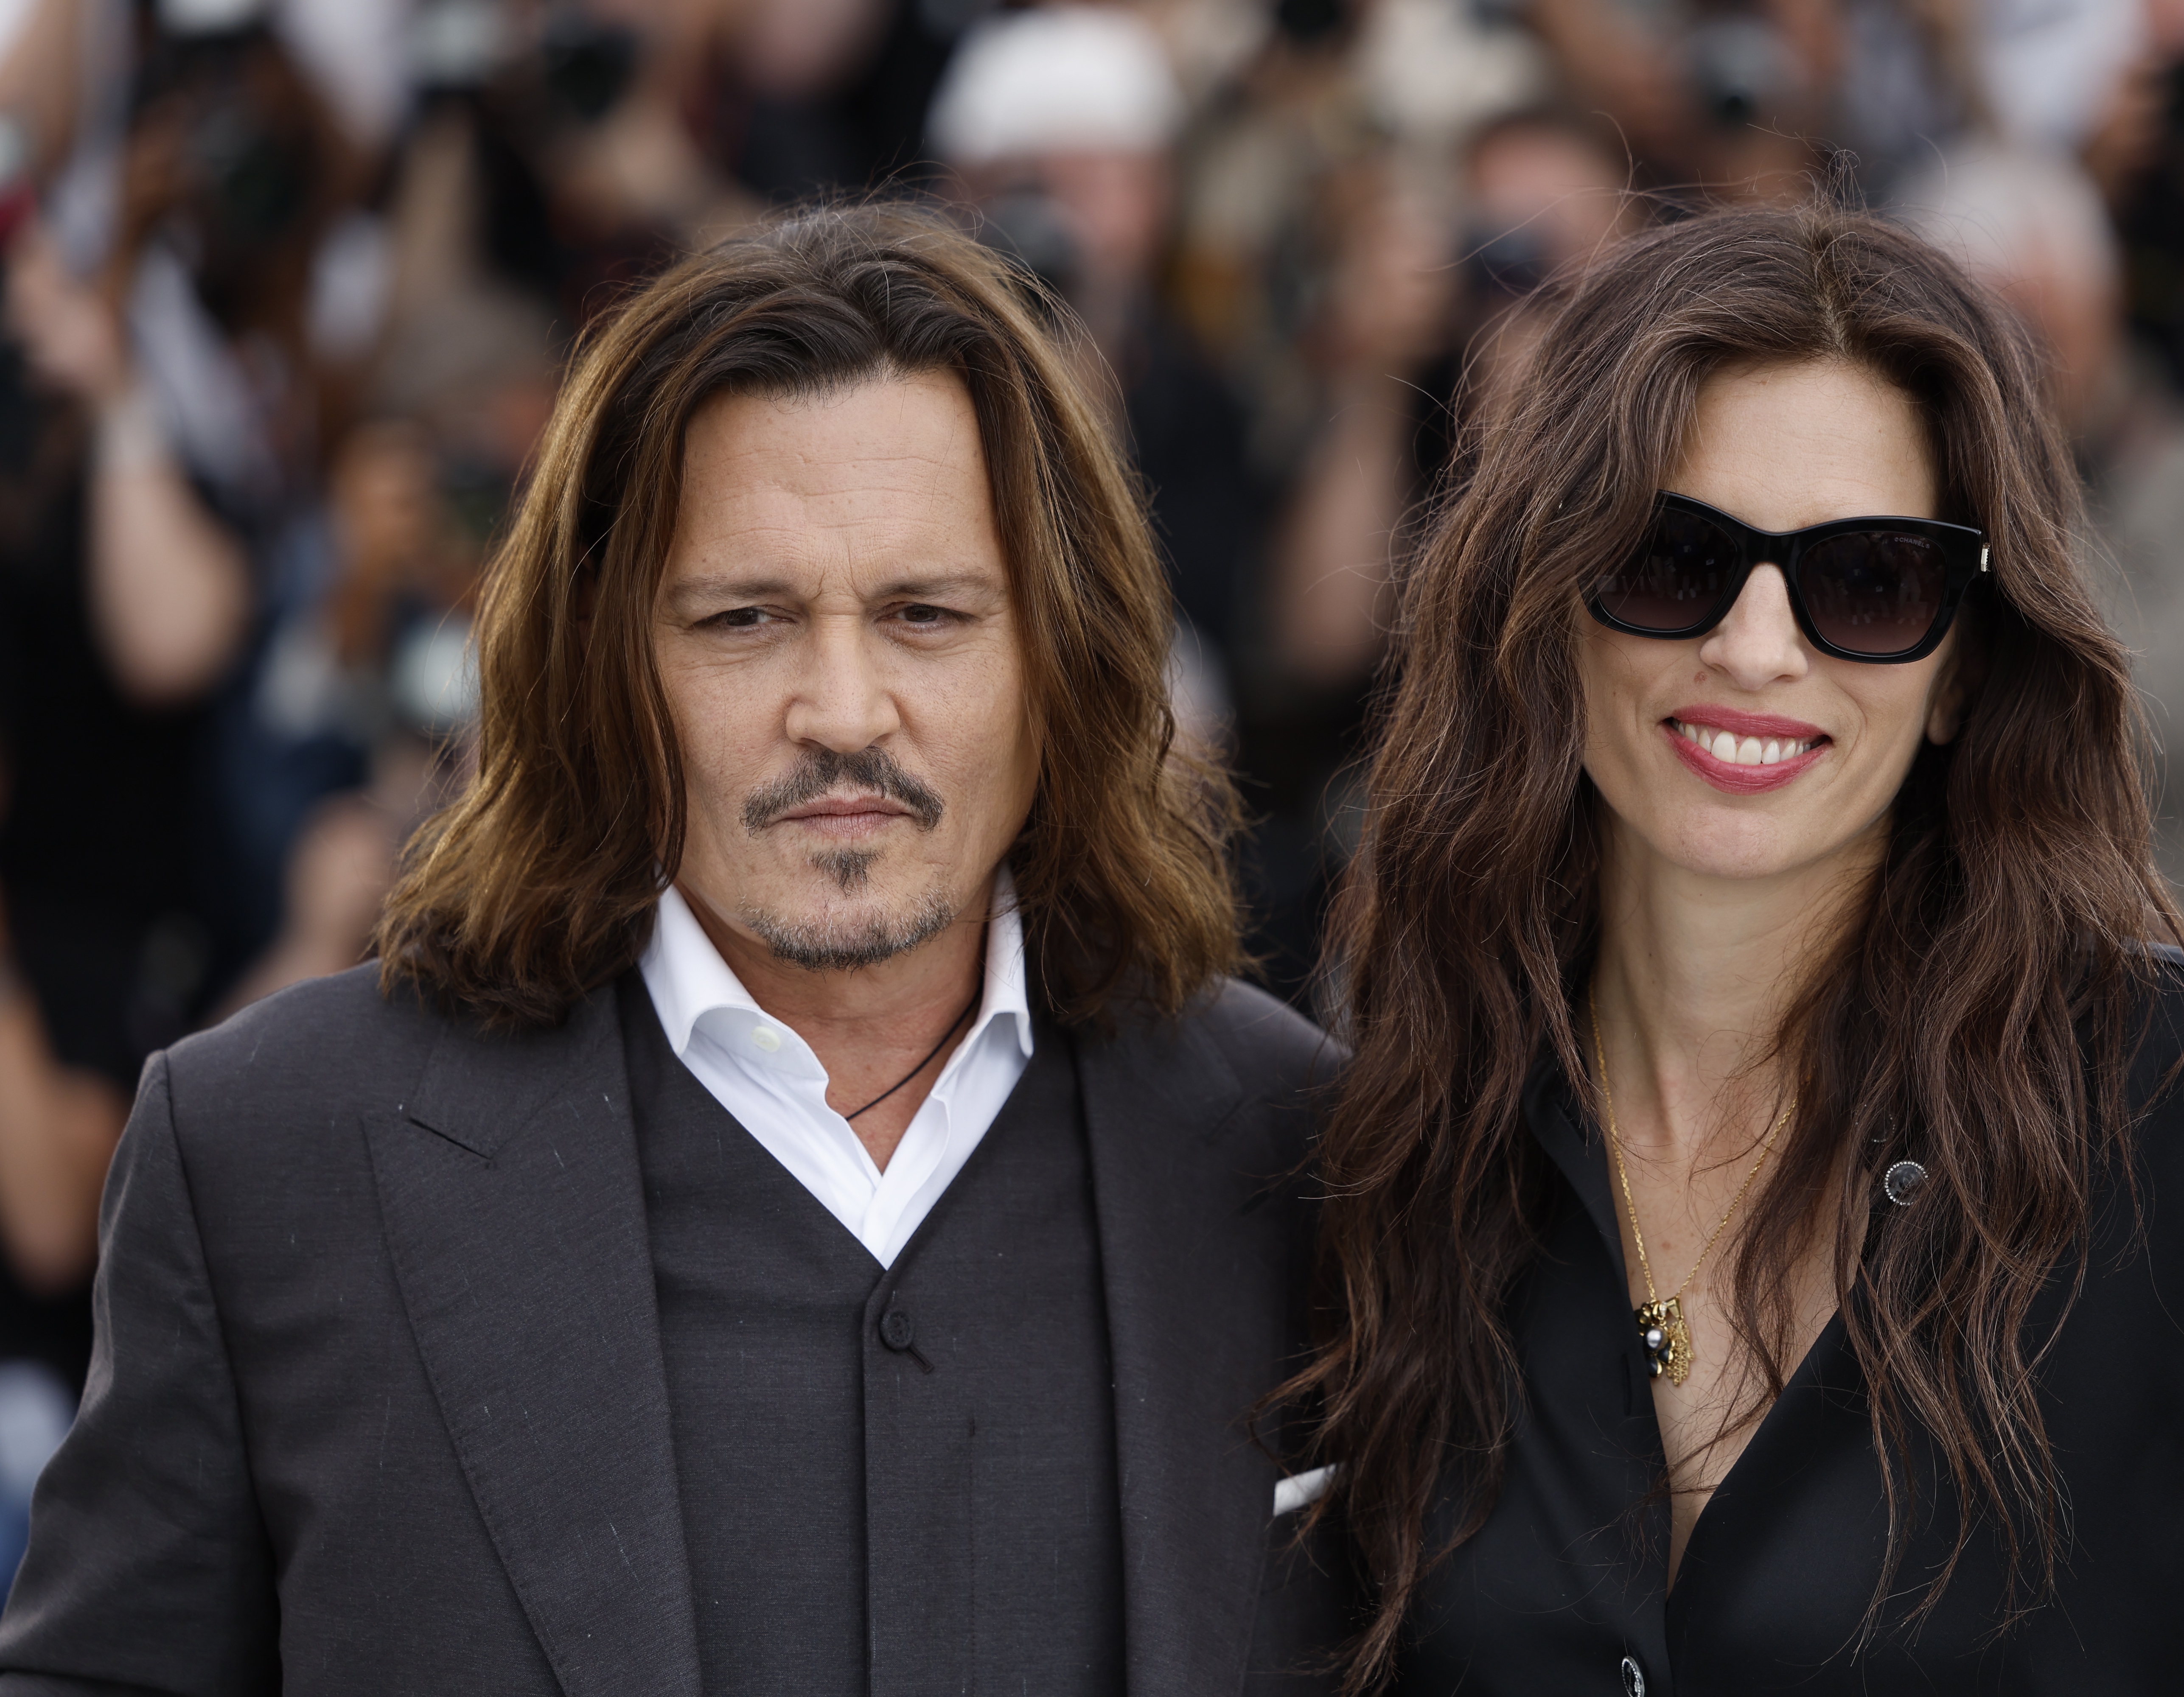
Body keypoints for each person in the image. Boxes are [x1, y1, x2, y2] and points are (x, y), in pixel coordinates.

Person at [0, 204, 1342, 1694]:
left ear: (1061, 655)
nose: (842, 709)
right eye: (746, 619)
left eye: (925, 614)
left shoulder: (1298, 1146)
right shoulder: (272, 1151)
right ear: (605, 664)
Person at [1279, 200, 2184, 1694]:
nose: (1756, 646)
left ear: (1964, 668)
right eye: (1675, 558)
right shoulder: (1407, 1142)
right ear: (1556, 611)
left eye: (1868, 578)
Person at [1898, 145, 2184, 963]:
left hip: (2159, 977)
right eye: (1982, 334)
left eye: (2038, 325)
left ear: (2108, 302)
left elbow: (2164, 725)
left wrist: (2004, 478)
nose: (2016, 363)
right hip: (1943, 968)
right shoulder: (1896, 492)